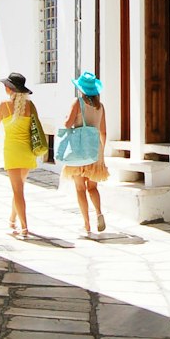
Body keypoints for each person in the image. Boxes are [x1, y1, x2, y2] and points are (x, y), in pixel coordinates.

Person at [0, 71, 43, 238]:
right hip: (27, 153)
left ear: (9, 89)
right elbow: (37, 127)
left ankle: (24, 227)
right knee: (19, 188)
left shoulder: (4, 106)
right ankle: (11, 220)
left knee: (18, 191)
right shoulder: (30, 106)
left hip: (12, 153)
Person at [62, 70, 108, 234]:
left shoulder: (78, 103)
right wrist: (102, 153)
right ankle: (99, 213)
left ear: (81, 89)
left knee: (80, 188)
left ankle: (87, 224)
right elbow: (103, 131)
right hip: (95, 149)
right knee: (93, 187)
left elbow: (68, 124)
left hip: (79, 149)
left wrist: (67, 119)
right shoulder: (100, 107)